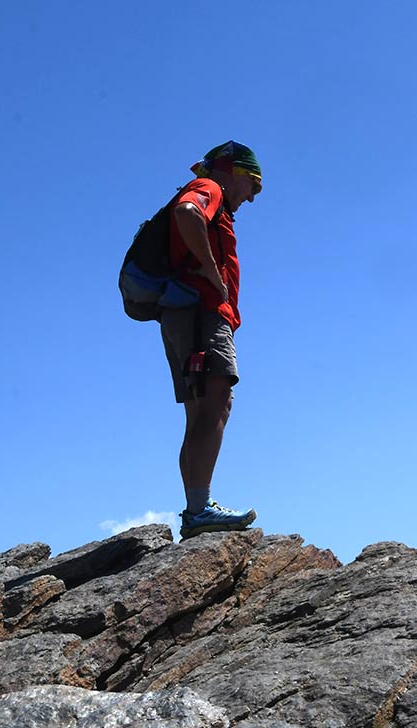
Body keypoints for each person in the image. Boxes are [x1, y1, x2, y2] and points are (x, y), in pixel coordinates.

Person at [161, 141, 262, 540]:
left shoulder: (212, 189)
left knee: (199, 413)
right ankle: (199, 510)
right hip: (203, 312)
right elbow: (187, 212)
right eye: (254, 184)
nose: (252, 198)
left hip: (182, 311)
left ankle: (196, 508)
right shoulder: (212, 188)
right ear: (234, 171)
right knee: (217, 405)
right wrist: (210, 272)